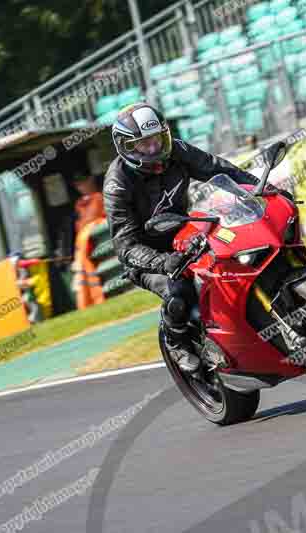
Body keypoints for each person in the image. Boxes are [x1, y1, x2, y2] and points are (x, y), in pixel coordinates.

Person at [103, 103, 264, 373]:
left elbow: (217, 169)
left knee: (234, 259)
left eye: (157, 139)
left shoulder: (176, 151)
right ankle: (176, 339)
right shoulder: (117, 185)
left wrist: (259, 189)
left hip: (182, 232)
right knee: (178, 292)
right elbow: (125, 246)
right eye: (144, 144)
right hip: (146, 257)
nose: (154, 149)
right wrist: (164, 262)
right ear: (127, 147)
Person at [71, 173, 106, 309]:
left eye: (83, 181)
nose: (81, 186)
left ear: (91, 180)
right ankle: (88, 302)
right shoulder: (79, 204)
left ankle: (96, 299)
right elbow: (80, 225)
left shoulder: (99, 197)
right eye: (77, 184)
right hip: (83, 251)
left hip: (98, 247)